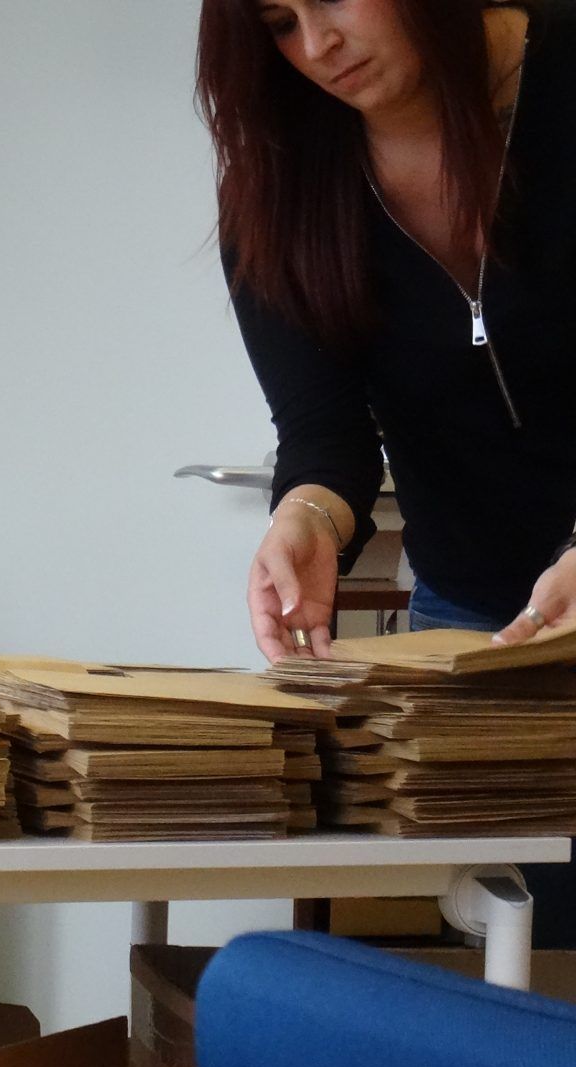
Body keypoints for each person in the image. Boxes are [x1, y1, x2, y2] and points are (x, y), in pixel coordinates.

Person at [199, 0, 572, 660]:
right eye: (281, 24)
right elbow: (325, 432)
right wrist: (306, 517)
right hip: (467, 612)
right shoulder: (281, 194)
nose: (317, 45)